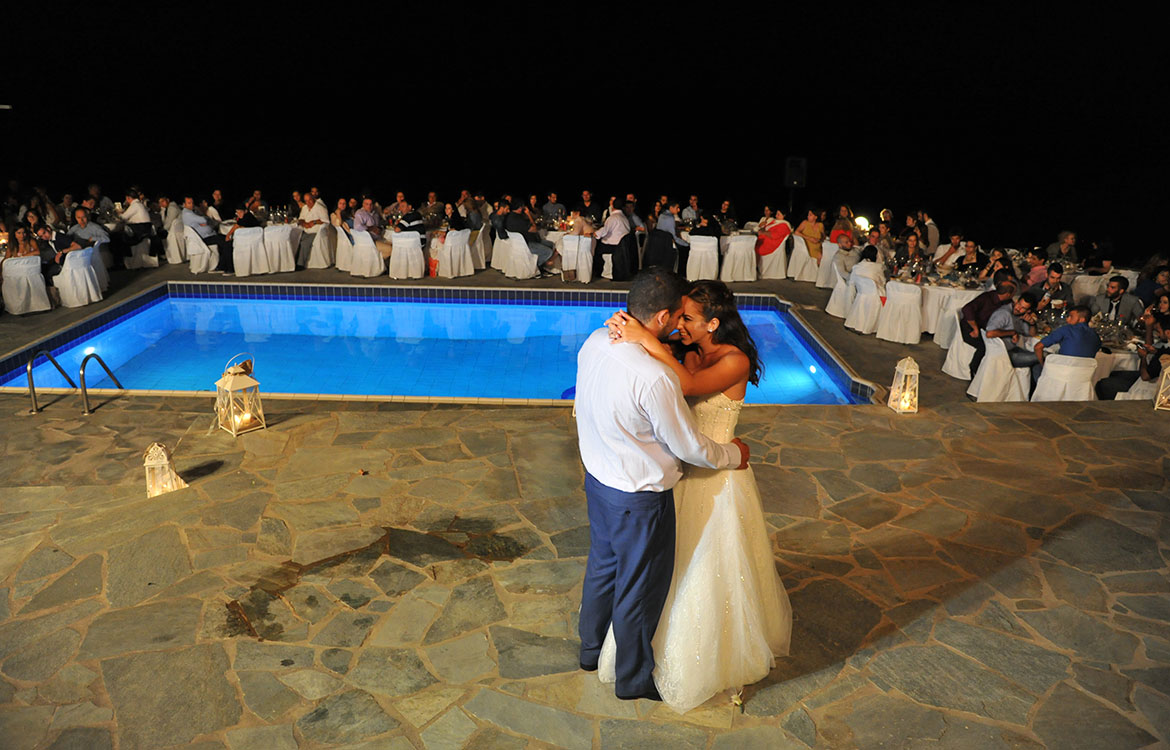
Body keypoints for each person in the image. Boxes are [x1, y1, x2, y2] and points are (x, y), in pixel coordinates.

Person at [599, 279, 790, 712]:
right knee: (671, 564)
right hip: (684, 474)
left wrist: (645, 337)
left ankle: (718, 659)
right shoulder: (689, 352)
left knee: (713, 566)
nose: (680, 325)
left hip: (721, 480)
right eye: (679, 317)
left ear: (714, 323)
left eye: (688, 318)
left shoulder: (734, 360)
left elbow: (686, 386)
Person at [574, 269, 751, 704]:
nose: (680, 326)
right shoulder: (654, 376)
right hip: (638, 497)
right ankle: (632, 681)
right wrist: (733, 456)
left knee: (603, 568)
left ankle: (591, 650)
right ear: (664, 316)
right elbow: (689, 446)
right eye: (678, 317)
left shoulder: (597, 341)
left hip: (598, 481)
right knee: (639, 589)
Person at [960, 281, 1017, 377]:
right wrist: (975, 328)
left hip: (989, 329)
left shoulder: (1007, 301)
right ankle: (974, 370)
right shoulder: (986, 298)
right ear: (1008, 294)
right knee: (984, 346)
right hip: (970, 328)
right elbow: (966, 309)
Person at [986, 291, 1041, 379]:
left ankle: (1036, 389)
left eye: (1023, 308)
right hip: (1004, 355)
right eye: (1019, 304)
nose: (1018, 308)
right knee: (1041, 356)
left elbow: (1032, 335)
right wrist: (1012, 332)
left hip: (1015, 349)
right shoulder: (1003, 313)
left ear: (1028, 311)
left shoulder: (1021, 316)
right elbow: (989, 333)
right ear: (1016, 301)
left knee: (1039, 358)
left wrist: (1032, 323)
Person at [296, 192, 330, 266]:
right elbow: (300, 219)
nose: (308, 202)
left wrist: (314, 222)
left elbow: (326, 220)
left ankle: (300, 264)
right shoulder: (305, 208)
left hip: (315, 231)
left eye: (310, 200)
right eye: (306, 201)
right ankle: (294, 262)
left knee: (305, 243)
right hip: (305, 230)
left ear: (313, 199)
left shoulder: (320, 208)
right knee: (296, 239)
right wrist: (304, 223)